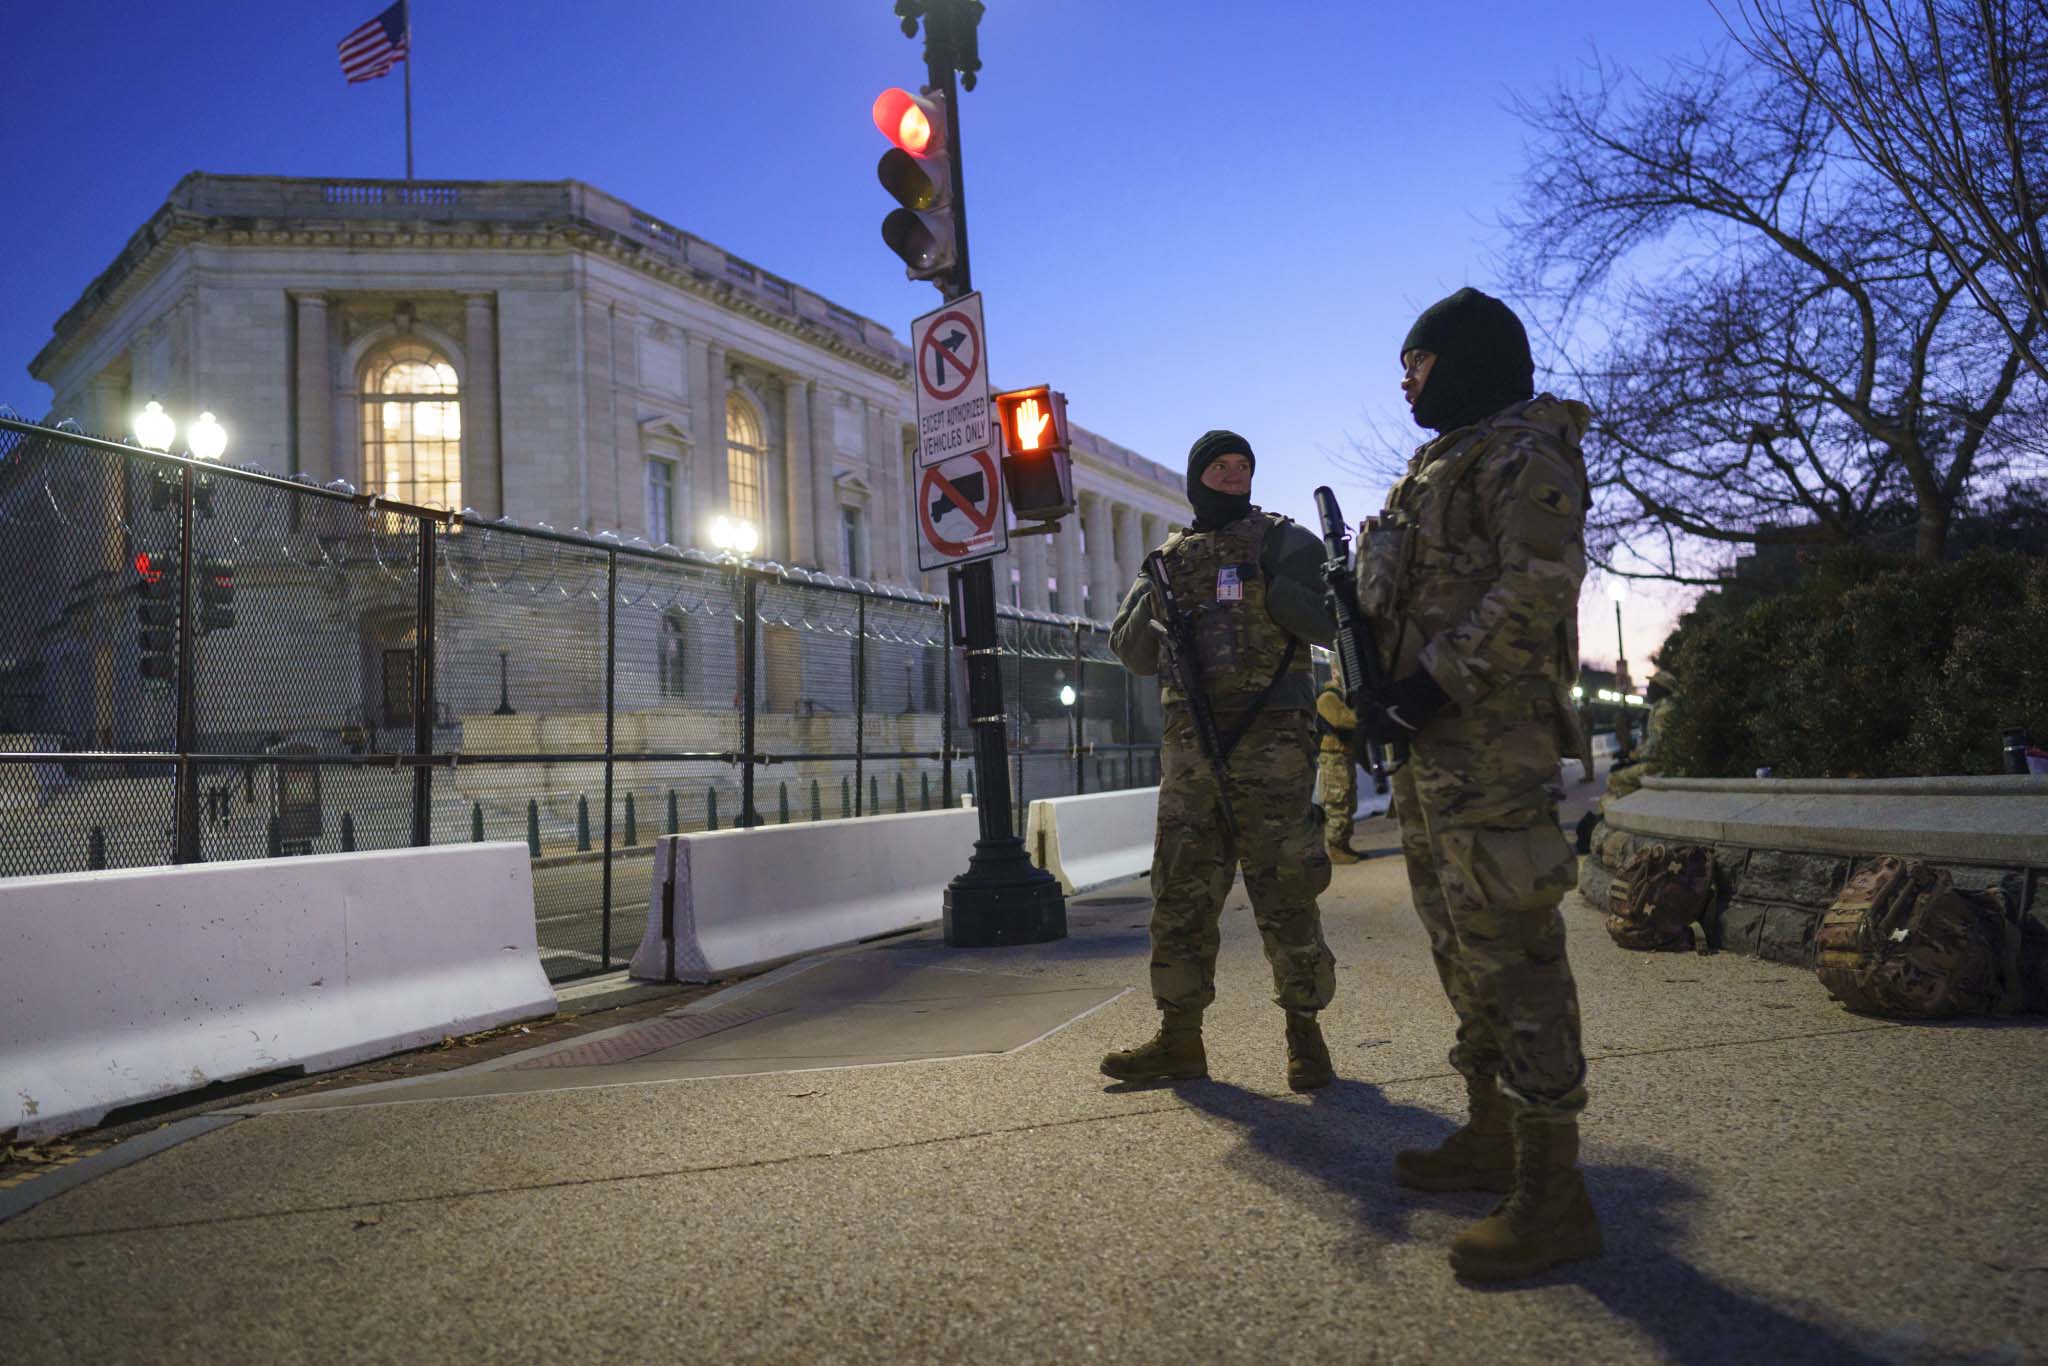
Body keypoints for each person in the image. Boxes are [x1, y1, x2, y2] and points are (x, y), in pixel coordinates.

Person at [1355, 287, 1601, 1281]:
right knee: (1461, 947)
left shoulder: (1522, 450)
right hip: (1432, 755)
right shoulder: (1435, 466)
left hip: (1489, 750)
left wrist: (1428, 681)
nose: (1402, 381)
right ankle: (1488, 1131)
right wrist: (1378, 692)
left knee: (1516, 953)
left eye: (1411, 362)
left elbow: (1536, 587)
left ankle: (1556, 1193)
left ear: (1455, 359)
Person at [1103, 430, 1339, 1092]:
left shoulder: (1283, 541)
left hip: (1274, 745)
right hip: (1191, 750)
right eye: (1220, 465)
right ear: (1197, 476)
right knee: (1180, 891)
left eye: (1244, 465)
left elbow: (1332, 623)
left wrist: (1275, 595)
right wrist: (1158, 599)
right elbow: (1133, 652)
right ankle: (1179, 1038)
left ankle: (1305, 1036)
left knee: (1285, 887)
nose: (1233, 475)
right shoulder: (1167, 559)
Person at [1315, 676, 1367, 862]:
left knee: (1349, 801)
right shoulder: (1328, 697)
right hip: (1332, 757)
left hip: (1344, 755)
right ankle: (1335, 848)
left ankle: (1344, 844)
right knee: (1337, 802)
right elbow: (1340, 719)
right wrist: (1363, 715)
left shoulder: (1344, 697)